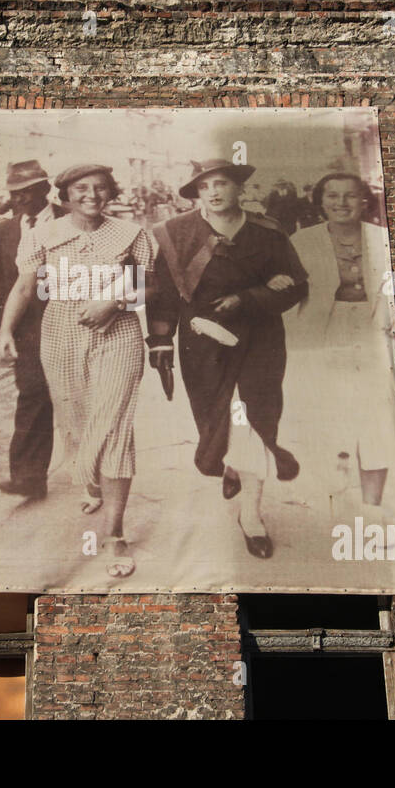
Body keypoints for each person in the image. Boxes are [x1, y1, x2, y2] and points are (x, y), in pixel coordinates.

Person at [0, 164, 154, 579]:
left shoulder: (130, 233)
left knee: (115, 427)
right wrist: (5, 332)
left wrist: (113, 303)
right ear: (64, 194)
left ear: (111, 194)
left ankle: (116, 532)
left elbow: (144, 284)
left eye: (101, 188)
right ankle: (92, 479)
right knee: (77, 421)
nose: (92, 195)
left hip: (118, 333)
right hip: (60, 332)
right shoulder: (41, 235)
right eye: (81, 188)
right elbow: (25, 287)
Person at [146, 159, 308, 559]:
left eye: (221, 184)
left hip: (261, 337)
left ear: (239, 189)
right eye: (204, 187)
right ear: (197, 194)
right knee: (214, 419)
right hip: (201, 340)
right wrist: (161, 342)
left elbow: (295, 285)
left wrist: (251, 297)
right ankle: (229, 464)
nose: (214, 193)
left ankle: (251, 515)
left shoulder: (267, 232)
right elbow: (163, 293)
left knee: (257, 417)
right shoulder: (175, 233)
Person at [277, 172, 395, 507]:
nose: (341, 203)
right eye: (332, 196)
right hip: (321, 332)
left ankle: (372, 506)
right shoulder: (302, 240)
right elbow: (284, 290)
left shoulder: (384, 238)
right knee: (325, 410)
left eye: (350, 195)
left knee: (376, 415)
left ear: (365, 200)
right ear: (320, 202)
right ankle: (327, 486)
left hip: (374, 329)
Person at [0, 160, 63, 500]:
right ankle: (28, 477)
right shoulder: (4, 230)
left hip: (72, 323)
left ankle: (97, 478)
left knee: (79, 400)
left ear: (45, 190)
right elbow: (1, 285)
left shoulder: (70, 218)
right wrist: (2, 333)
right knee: (32, 397)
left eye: (27, 192)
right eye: (14, 194)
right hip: (29, 332)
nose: (19, 201)